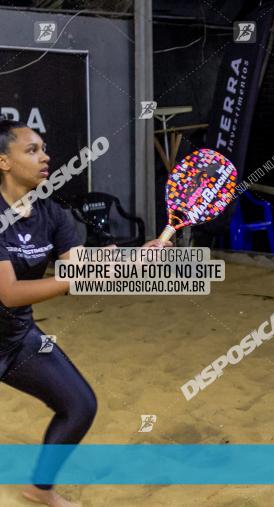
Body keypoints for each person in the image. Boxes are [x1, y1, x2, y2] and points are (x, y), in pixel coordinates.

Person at [0, 121, 168, 507]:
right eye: (31, 150)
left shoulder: (52, 214)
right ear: (4, 162)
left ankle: (40, 490)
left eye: (44, 148)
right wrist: (72, 279)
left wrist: (132, 259)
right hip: (10, 316)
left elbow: (81, 264)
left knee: (79, 406)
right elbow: (8, 293)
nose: (45, 157)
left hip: (15, 338)